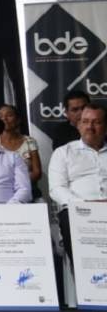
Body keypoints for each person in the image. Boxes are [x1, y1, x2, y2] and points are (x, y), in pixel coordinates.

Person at [49, 103, 107, 263]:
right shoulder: (63, 152)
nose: (90, 127)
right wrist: (85, 204)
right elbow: (56, 188)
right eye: (85, 122)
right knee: (68, 218)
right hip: (79, 211)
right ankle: (83, 280)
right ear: (78, 125)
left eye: (96, 122)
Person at [0, 104, 43, 199]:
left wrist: (20, 186)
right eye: (0, 116)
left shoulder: (29, 141)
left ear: (18, 120)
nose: (4, 119)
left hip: (29, 190)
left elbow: (37, 172)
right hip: (1, 192)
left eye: (9, 115)